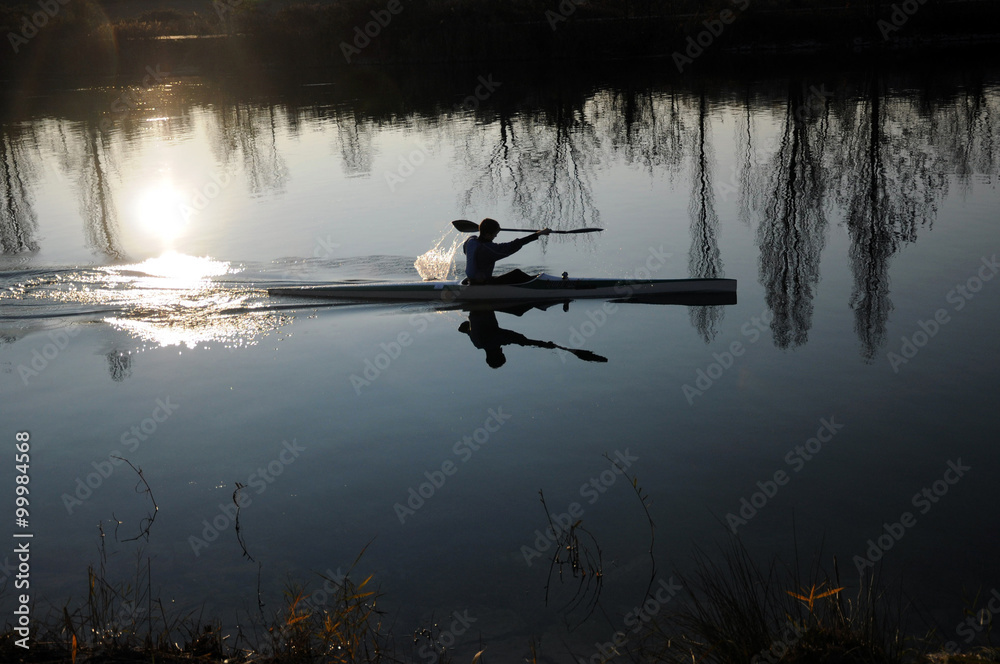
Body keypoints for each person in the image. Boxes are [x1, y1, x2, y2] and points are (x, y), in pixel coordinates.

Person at [463, 218, 551, 285]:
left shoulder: (471, 241)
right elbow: (513, 245)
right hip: (482, 284)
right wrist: (539, 234)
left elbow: (465, 250)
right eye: (494, 235)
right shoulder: (489, 249)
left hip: (472, 280)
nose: (495, 237)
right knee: (517, 274)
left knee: (514, 276)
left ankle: (537, 280)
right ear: (487, 234)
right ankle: (542, 284)